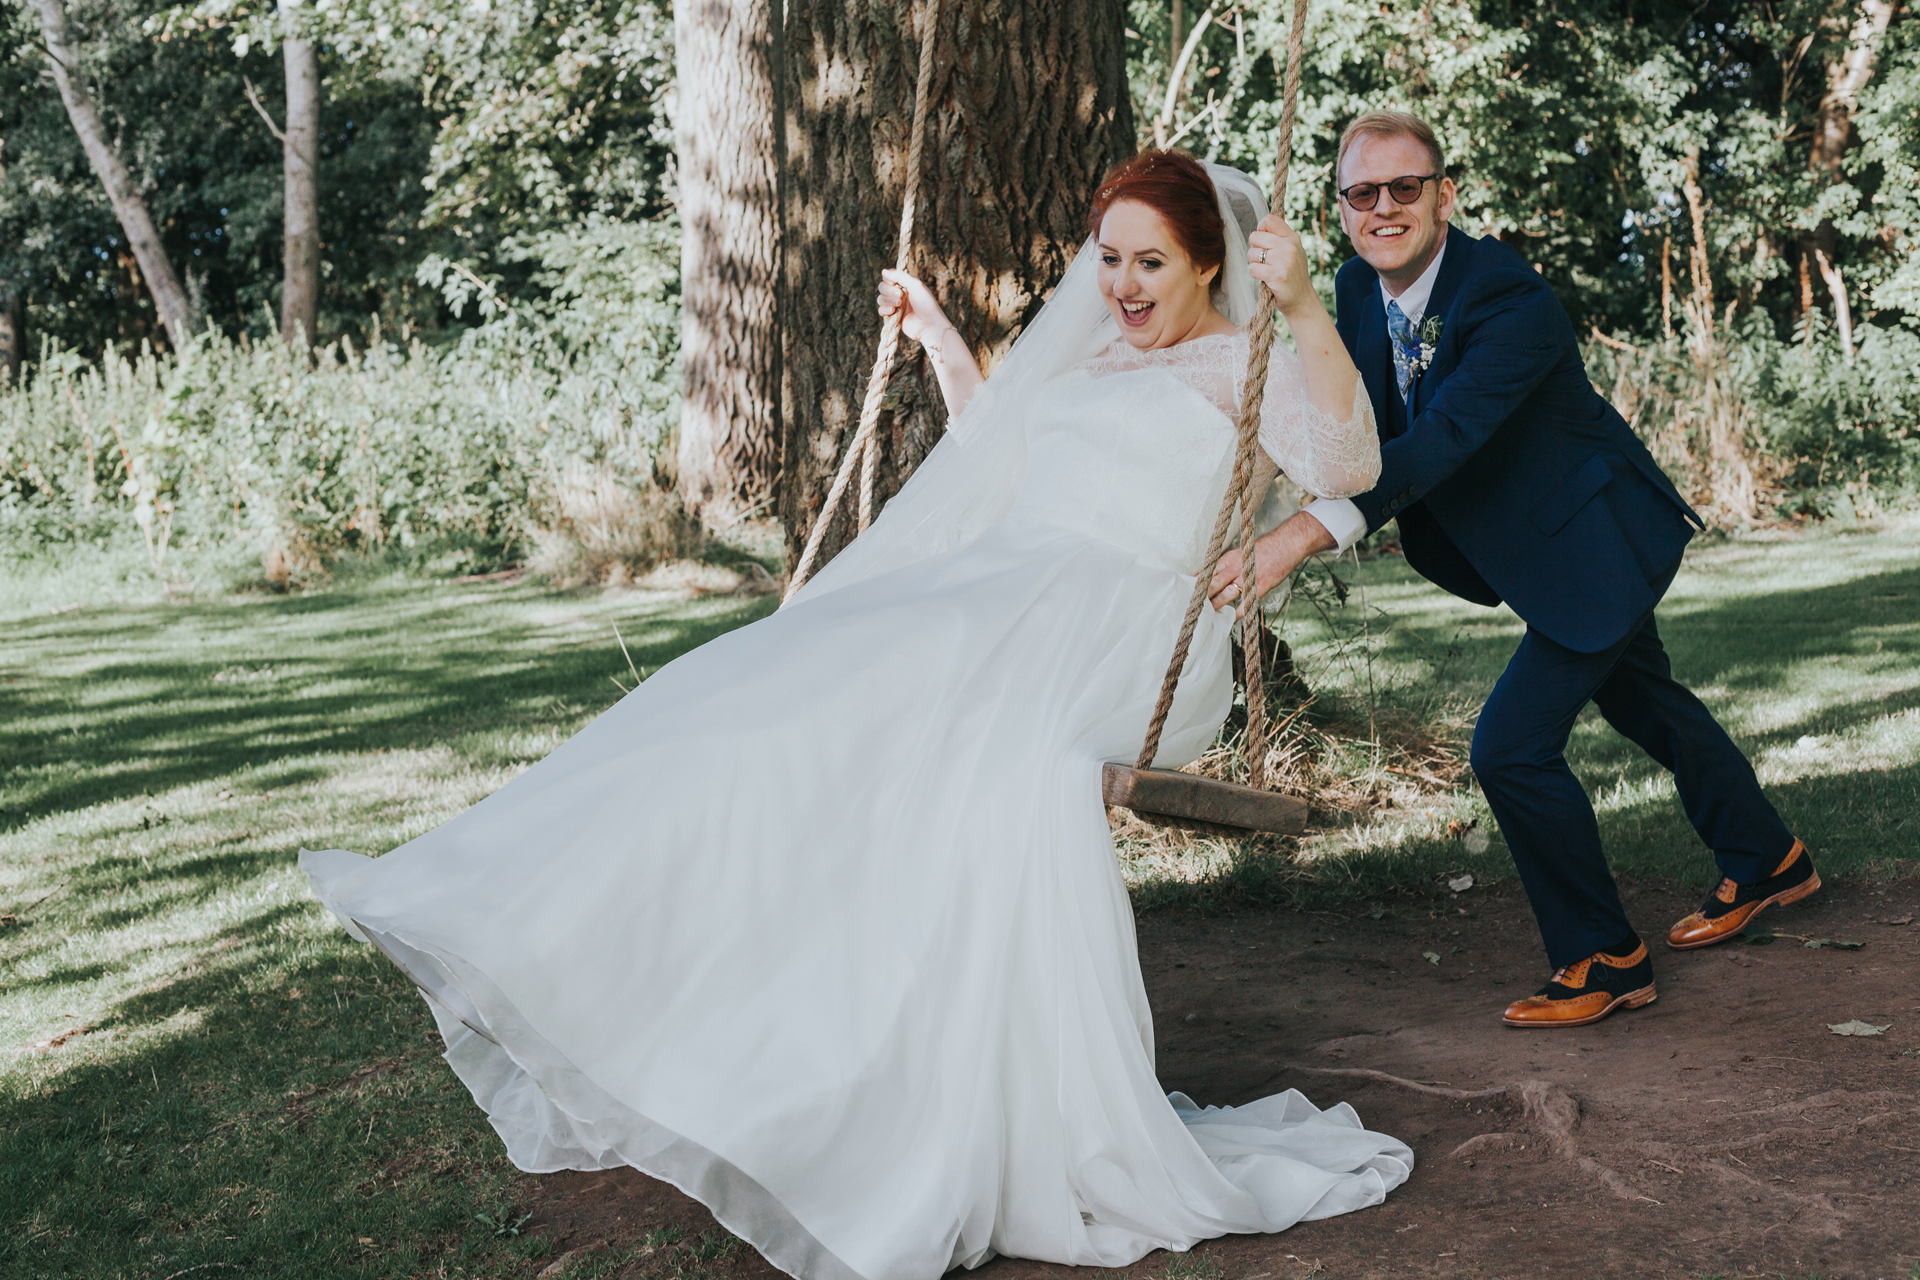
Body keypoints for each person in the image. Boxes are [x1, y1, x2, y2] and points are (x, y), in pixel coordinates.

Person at [301, 151, 1409, 1280]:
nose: (1121, 284)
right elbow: (997, 464)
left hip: (1117, 622)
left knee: (938, 712)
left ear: (1209, 261)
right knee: (760, 690)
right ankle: (618, 960)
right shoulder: (1085, 360)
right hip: (1006, 588)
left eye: (1149, 263)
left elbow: (1349, 462)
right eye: (1109, 257)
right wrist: (938, 340)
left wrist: (1306, 308)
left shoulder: (1242, 360)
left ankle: (938, 1098)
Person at [1212, 111, 1814, 1030]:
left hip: (1599, 543)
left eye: (1405, 187)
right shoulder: (1350, 287)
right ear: (1340, 212)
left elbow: (1437, 443)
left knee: (1510, 749)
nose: (1384, 207)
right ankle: (1771, 861)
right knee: (1642, 697)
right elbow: (1358, 430)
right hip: (1542, 550)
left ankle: (1606, 959)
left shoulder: (1510, 300)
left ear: (1444, 194)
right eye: (1362, 193)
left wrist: (1300, 535)